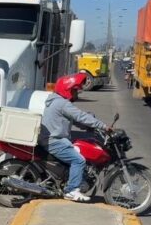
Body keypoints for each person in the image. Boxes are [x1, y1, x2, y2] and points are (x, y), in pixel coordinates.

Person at [40, 73, 108, 202]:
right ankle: (71, 190)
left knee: (78, 149)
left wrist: (88, 127)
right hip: (54, 141)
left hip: (52, 139)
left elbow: (72, 119)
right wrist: (103, 126)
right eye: (75, 90)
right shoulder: (62, 103)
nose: (77, 94)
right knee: (79, 160)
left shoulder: (56, 101)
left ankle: (75, 180)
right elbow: (80, 116)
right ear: (68, 89)